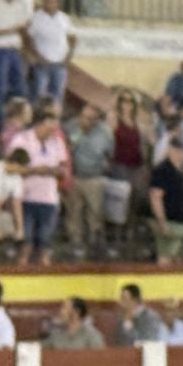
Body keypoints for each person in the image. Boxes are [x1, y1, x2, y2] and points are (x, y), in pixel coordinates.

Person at [15, 107, 68, 265]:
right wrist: (35, 170)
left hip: (49, 198)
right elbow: (12, 167)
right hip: (26, 196)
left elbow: (63, 167)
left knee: (46, 240)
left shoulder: (57, 142)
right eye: (49, 127)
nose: (52, 131)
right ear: (39, 124)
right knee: (26, 239)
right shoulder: (22, 140)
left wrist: (56, 171)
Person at [64, 102, 112, 254]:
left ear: (97, 119)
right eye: (83, 117)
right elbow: (67, 150)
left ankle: (95, 240)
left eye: (90, 118)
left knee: (96, 212)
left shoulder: (105, 132)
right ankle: (76, 241)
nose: (85, 121)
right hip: (75, 177)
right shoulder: (72, 127)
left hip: (95, 178)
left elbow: (110, 153)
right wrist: (79, 134)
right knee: (74, 211)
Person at [149, 137, 183, 266]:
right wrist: (162, 221)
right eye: (176, 150)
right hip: (169, 221)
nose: (180, 154)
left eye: (182, 151)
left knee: (181, 258)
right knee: (166, 257)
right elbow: (156, 197)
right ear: (170, 150)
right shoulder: (162, 170)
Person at [26, 0, 77, 107]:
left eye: (52, 1)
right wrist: (37, 57)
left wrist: (68, 57)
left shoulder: (64, 18)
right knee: (40, 94)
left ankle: (55, 122)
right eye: (46, 1)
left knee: (58, 95)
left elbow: (73, 38)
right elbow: (28, 40)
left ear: (57, 3)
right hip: (42, 64)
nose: (49, 4)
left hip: (60, 63)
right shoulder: (36, 18)